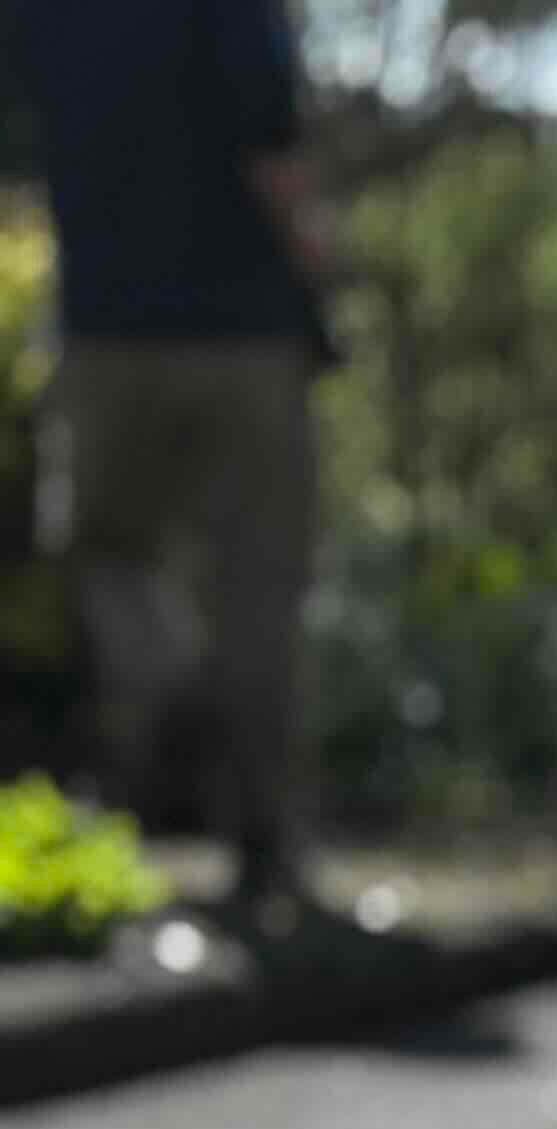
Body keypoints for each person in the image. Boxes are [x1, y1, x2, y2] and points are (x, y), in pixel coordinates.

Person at [9, 0, 333, 930]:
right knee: (259, 586)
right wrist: (317, 256)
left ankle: (168, 697)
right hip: (245, 338)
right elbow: (271, 137)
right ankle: (263, 839)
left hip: (105, 332)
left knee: (106, 552)